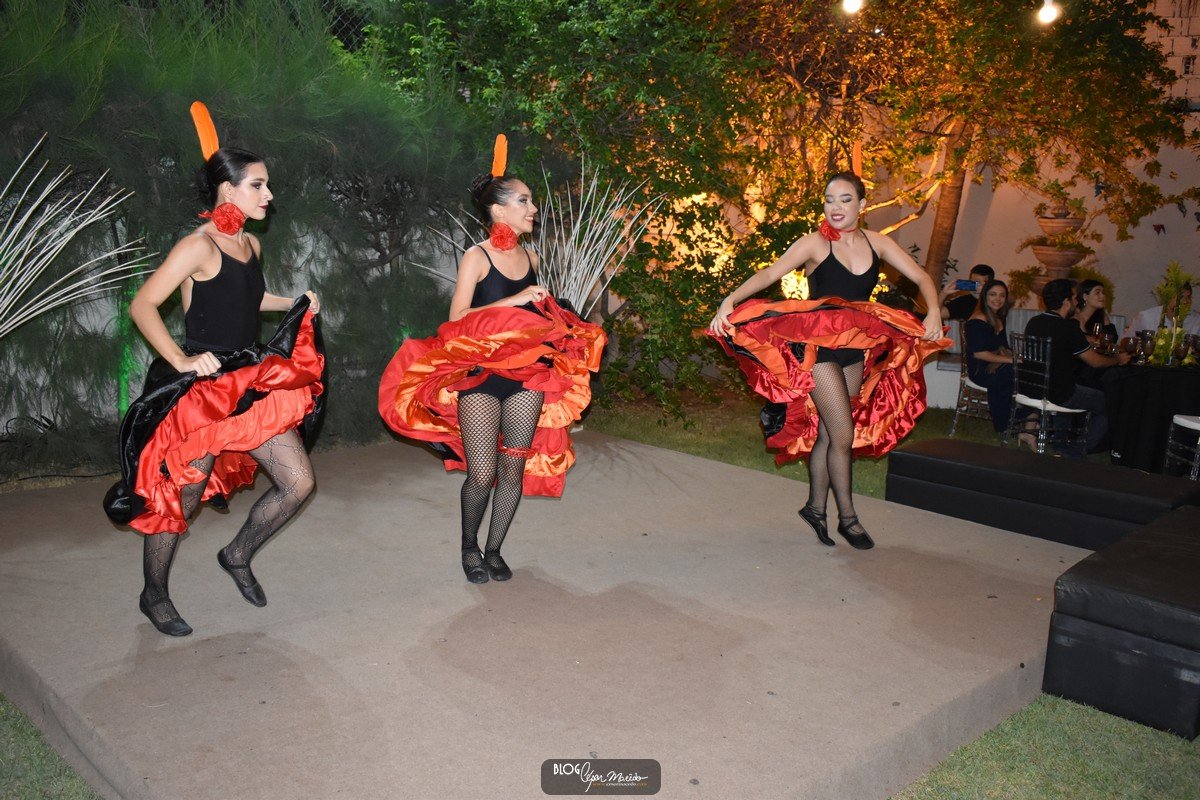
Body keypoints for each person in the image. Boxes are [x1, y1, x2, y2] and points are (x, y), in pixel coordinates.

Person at [103, 105, 325, 636]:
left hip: (248, 382)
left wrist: (295, 302)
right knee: (181, 496)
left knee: (298, 482)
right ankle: (154, 594)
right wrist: (181, 359)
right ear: (228, 190)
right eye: (258, 186)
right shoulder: (196, 246)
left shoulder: (249, 243)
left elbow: (249, 300)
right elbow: (143, 305)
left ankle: (238, 553)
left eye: (267, 186)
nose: (268, 195)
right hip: (202, 390)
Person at [378, 136, 605, 583]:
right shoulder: (476, 256)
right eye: (523, 201)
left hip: (528, 376)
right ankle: (469, 548)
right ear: (498, 210)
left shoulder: (532, 255)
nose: (533, 208)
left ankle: (495, 549)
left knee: (513, 467)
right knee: (482, 472)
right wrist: (515, 299)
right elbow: (456, 318)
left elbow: (533, 319)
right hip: (480, 375)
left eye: (532, 201)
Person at [709, 172, 947, 550]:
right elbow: (771, 272)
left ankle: (814, 509)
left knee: (828, 433)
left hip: (854, 348)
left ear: (862, 205)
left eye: (845, 199)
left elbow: (921, 276)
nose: (835, 207)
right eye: (829, 199)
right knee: (843, 434)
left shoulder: (879, 243)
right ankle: (848, 519)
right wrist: (730, 300)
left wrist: (933, 310)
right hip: (817, 350)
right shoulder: (815, 243)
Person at [1023, 278, 1129, 454]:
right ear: (1066, 302)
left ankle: (1060, 444)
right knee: (1109, 403)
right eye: (1074, 298)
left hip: (1032, 386)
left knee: (1068, 385)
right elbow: (1095, 362)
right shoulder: (1067, 328)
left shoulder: (1034, 322)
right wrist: (1118, 360)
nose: (1076, 302)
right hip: (1058, 392)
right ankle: (1079, 448)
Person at [963, 279, 1014, 436]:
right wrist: (1010, 360)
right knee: (1010, 373)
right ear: (985, 297)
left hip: (995, 365)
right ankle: (1003, 425)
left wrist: (1017, 357)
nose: (998, 299)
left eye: (1002, 295)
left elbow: (1003, 346)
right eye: (993, 294)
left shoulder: (999, 318)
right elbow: (979, 353)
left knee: (1026, 371)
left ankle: (1023, 420)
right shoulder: (977, 320)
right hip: (980, 370)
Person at [1074, 279, 1119, 389]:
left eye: (1103, 292)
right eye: (1097, 292)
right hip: (1079, 367)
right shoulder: (1074, 316)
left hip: (1097, 364)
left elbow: (1111, 340)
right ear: (1085, 296)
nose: (1102, 296)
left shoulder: (1102, 317)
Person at [1123, 283, 1200, 337]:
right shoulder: (1146, 318)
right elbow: (1124, 345)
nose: (1185, 301)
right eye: (1181, 297)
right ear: (1167, 297)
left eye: (1188, 297)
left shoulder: (1197, 321)